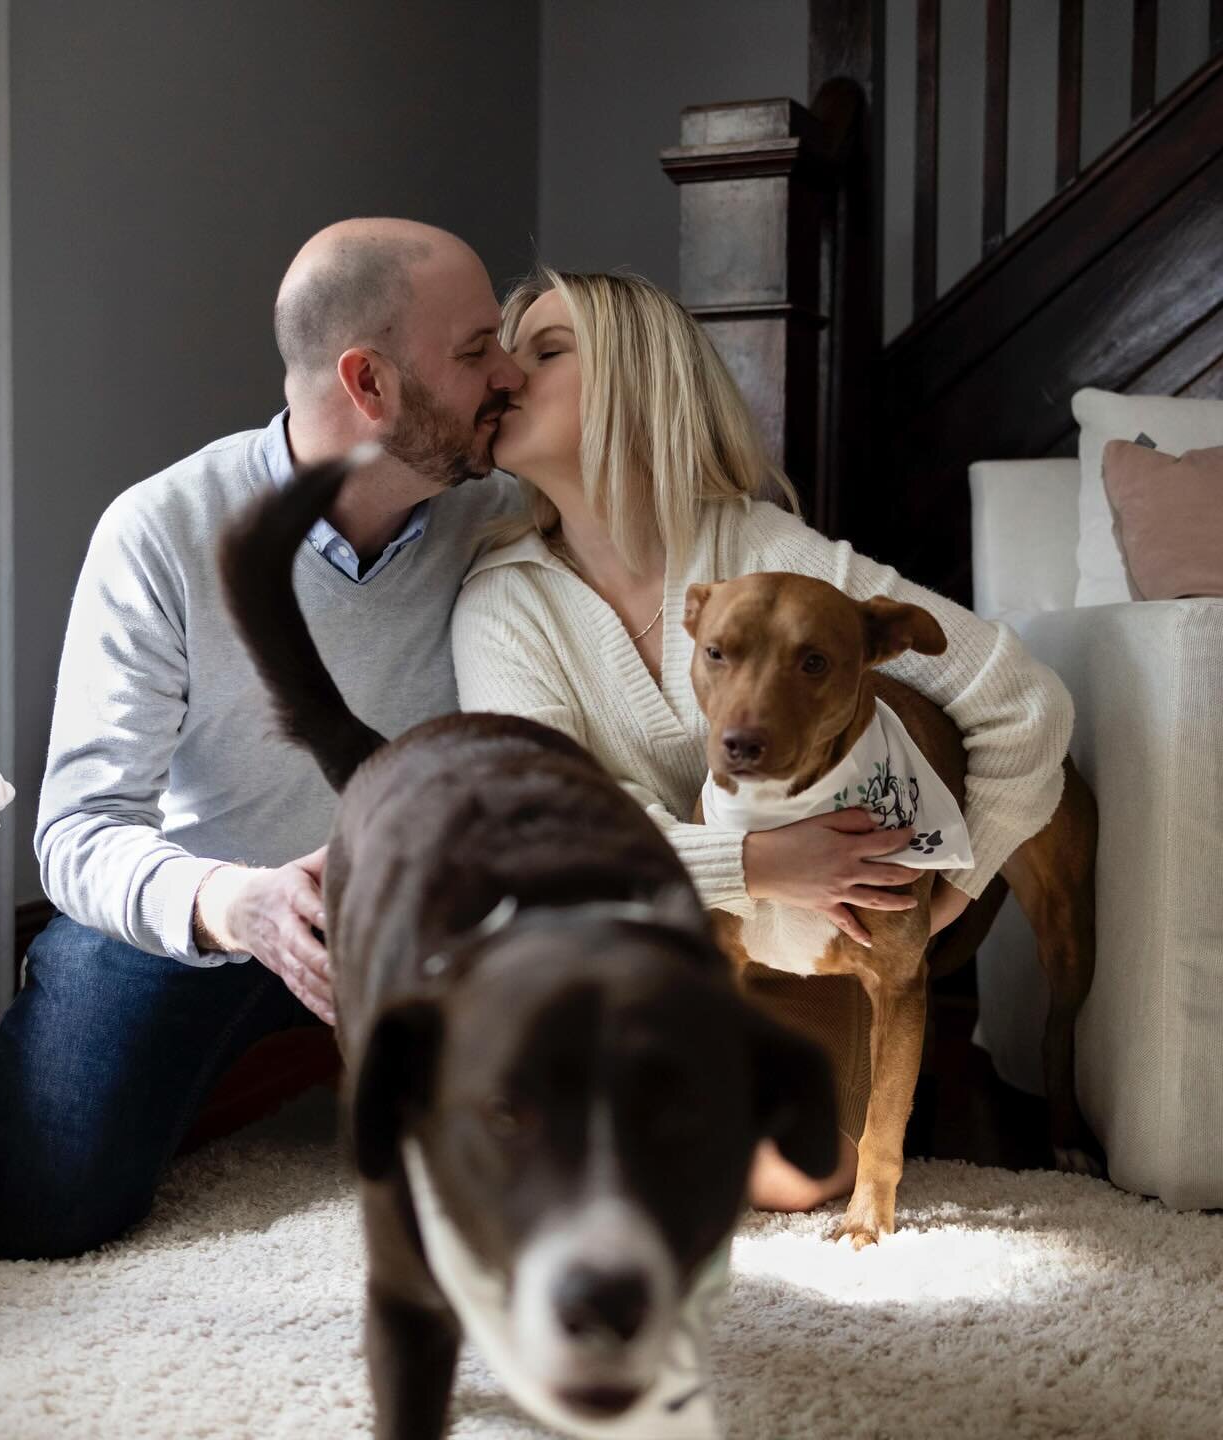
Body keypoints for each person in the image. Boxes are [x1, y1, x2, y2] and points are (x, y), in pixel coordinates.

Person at [0, 219, 525, 1260]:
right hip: (205, 914)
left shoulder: (507, 517)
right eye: (478, 346)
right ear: (372, 384)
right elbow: (80, 830)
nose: (511, 371)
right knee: (42, 1212)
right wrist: (237, 905)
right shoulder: (162, 530)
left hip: (425, 918)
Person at [450, 268, 1074, 1213]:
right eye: (502, 352)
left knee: (786, 1175)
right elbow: (549, 831)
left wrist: (942, 897)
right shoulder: (504, 601)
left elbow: (1023, 704)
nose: (503, 373)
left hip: (806, 939)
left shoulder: (766, 551)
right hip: (630, 940)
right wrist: (760, 862)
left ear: (636, 378)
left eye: (545, 350)